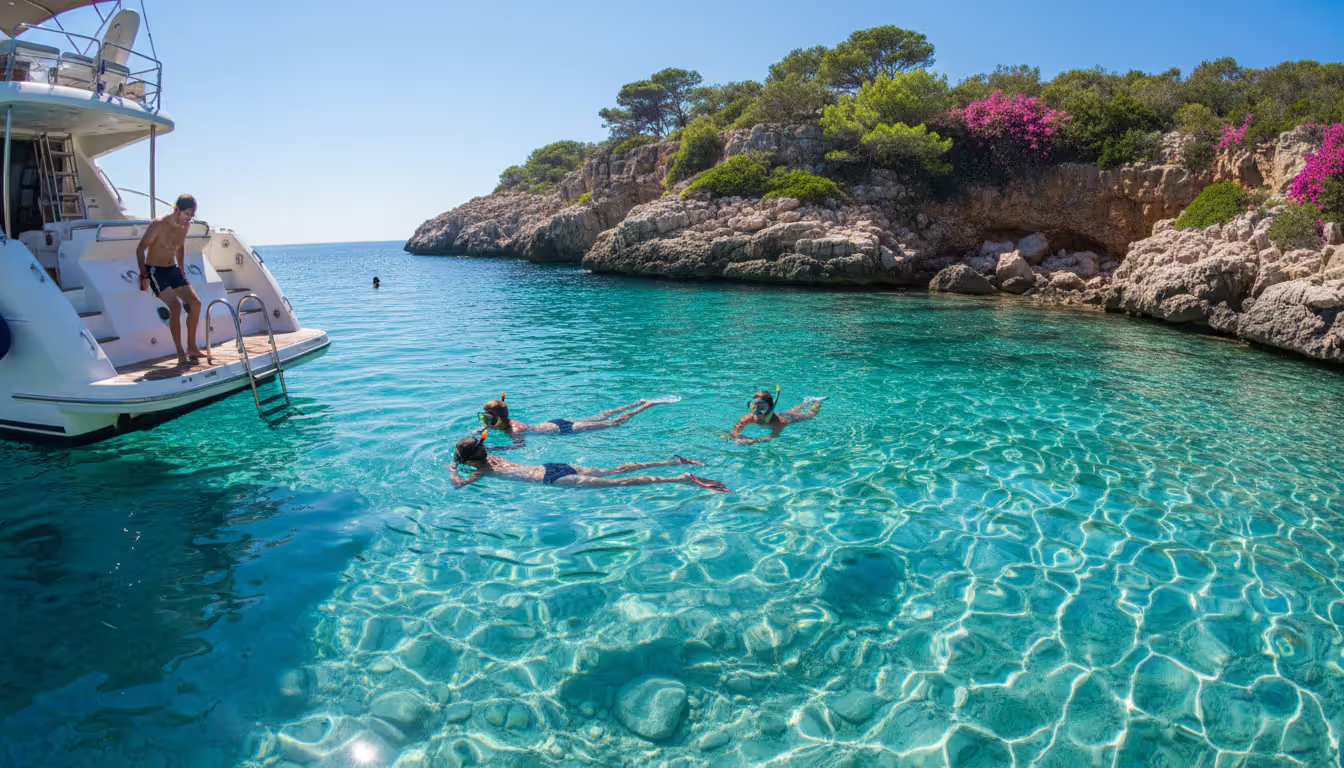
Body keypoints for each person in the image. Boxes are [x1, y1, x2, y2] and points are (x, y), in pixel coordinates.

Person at [448, 431, 729, 491]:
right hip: (552, 466)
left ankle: (679, 479)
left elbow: (459, 484)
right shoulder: (492, 456)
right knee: (614, 470)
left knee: (620, 482)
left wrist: (452, 469)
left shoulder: (480, 471)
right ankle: (672, 461)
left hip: (552, 478)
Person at [136, 194, 202, 366]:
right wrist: (143, 275)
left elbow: (179, 247)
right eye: (186, 214)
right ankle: (180, 351)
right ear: (176, 209)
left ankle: (192, 346)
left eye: (191, 215)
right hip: (155, 271)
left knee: (196, 303)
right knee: (175, 306)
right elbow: (140, 249)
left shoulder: (185, 226)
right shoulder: (158, 224)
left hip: (172, 269)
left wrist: (181, 270)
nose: (188, 218)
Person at [476, 392, 669, 448]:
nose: (484, 420)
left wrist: (496, 449)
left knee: (612, 423)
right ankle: (636, 401)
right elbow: (484, 428)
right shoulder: (497, 422)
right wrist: (478, 432)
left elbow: (520, 446)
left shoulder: (514, 430)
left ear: (498, 418)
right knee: (599, 416)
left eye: (487, 417)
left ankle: (646, 405)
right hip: (553, 422)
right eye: (483, 416)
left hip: (564, 429)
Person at [729, 388, 824, 444]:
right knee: (792, 411)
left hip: (788, 418)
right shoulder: (746, 418)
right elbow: (734, 431)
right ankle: (806, 401)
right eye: (753, 405)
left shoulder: (778, 422)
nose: (756, 409)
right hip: (781, 414)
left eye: (760, 406)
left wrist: (753, 441)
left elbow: (773, 436)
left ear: (769, 407)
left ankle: (817, 401)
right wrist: (737, 437)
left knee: (810, 415)